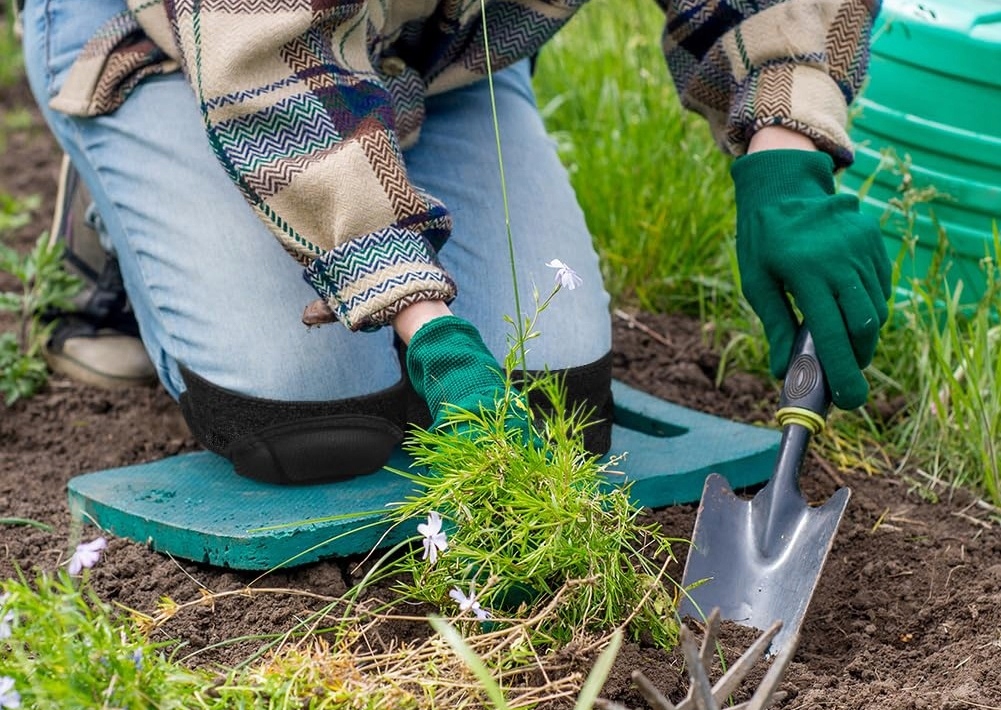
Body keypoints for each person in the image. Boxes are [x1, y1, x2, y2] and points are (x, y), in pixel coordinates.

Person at [17, 0, 891, 486]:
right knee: (310, 420)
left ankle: (387, 123)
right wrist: (426, 326)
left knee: (553, 398)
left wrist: (784, 155)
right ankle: (121, 212)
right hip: (199, 41)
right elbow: (268, 64)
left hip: (435, 47)